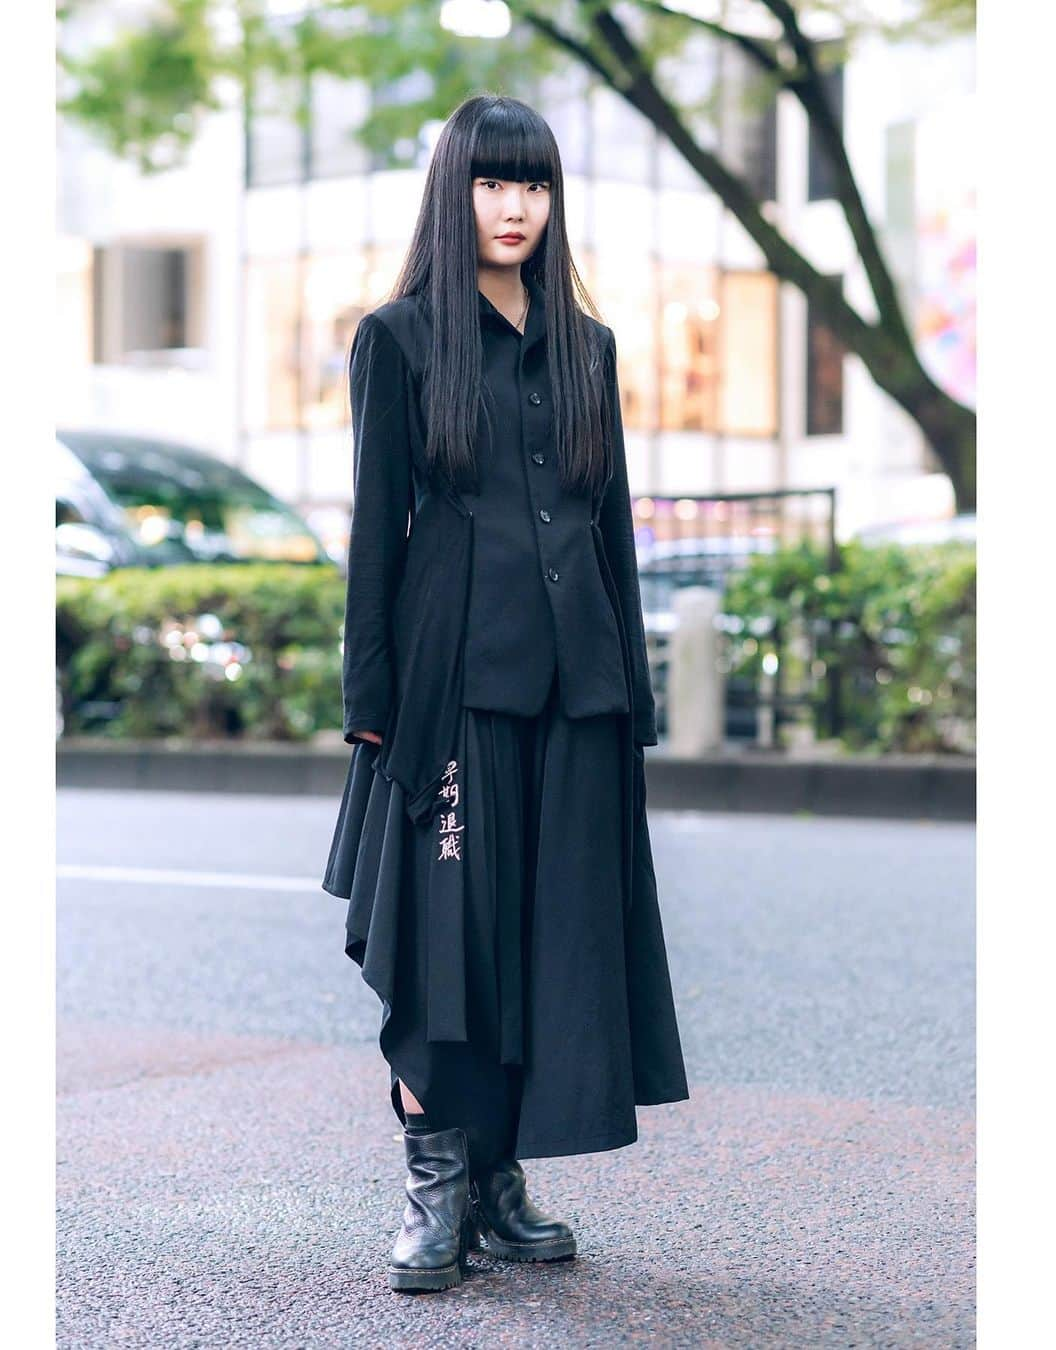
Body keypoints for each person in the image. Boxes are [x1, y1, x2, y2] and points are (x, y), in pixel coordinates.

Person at [321, 93, 689, 1294]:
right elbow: (381, 530)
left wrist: (629, 684)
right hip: (450, 681)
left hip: (576, 681)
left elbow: (613, 529)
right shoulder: (401, 340)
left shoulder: (589, 346)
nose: (515, 205)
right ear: (456, 192)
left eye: (532, 183)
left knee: (547, 936)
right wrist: (369, 700)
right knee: (444, 941)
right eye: (492, 182)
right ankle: (434, 1189)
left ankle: (500, 1181)